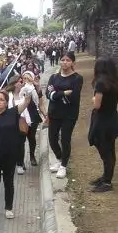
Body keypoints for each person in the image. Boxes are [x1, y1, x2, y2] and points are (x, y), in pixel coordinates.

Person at [0, 89, 32, 219]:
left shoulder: (12, 113)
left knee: (8, 181)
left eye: (1, 99)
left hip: (10, 154)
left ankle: (8, 208)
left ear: (6, 102)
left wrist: (28, 92)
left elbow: (26, 102)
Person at [88, 57, 118, 193]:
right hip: (112, 118)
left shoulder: (100, 83)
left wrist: (93, 98)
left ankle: (107, 182)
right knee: (109, 150)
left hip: (101, 119)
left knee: (105, 151)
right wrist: (116, 96)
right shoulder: (117, 81)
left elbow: (97, 105)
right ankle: (105, 177)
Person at [44, 51, 84, 179]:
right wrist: (63, 93)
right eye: (63, 60)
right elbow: (48, 94)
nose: (65, 62)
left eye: (68, 60)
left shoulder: (77, 78)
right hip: (54, 112)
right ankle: (60, 159)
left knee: (65, 139)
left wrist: (56, 94)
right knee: (52, 139)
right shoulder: (54, 77)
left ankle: (63, 166)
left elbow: (73, 97)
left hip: (69, 114)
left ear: (73, 63)